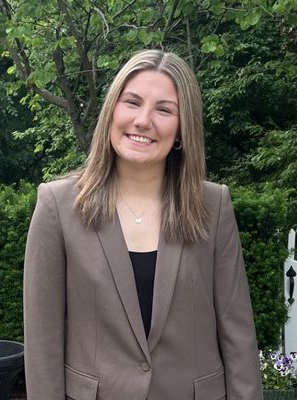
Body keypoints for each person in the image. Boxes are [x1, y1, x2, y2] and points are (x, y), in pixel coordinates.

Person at [23, 49, 263, 400]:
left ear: (182, 129)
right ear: (111, 112)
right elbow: (42, 343)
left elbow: (238, 335)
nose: (143, 120)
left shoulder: (213, 206)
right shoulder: (57, 206)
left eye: (164, 109)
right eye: (132, 102)